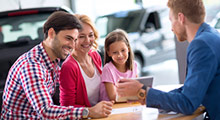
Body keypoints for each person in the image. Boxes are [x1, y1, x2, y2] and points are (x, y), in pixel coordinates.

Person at [116, 0, 220, 119]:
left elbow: (188, 103)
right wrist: (147, 95)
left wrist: (142, 92)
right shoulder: (211, 35)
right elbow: (189, 89)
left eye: (171, 20)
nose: (171, 28)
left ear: (181, 18)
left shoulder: (201, 45)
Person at [1, 11, 112, 119]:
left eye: (75, 40)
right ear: (51, 33)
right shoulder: (32, 66)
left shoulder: (53, 61)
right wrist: (89, 112)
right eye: (68, 38)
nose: (72, 46)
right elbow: (46, 111)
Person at [59, 14, 113, 109]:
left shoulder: (95, 55)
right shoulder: (69, 67)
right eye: (81, 36)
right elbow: (66, 108)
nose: (87, 41)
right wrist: (92, 111)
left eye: (90, 35)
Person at [100, 29, 138, 101]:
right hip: (111, 107)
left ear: (128, 49)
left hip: (128, 104)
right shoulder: (108, 69)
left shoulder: (134, 65)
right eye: (115, 52)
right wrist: (133, 94)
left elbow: (137, 88)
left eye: (123, 50)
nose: (120, 55)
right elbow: (113, 97)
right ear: (109, 53)